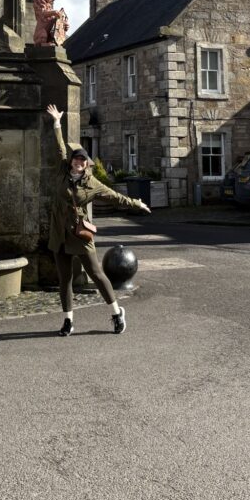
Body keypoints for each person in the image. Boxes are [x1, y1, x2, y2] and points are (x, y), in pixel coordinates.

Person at [46, 103, 151, 337]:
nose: (78, 163)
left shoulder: (93, 184)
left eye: (83, 161)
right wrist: (56, 123)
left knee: (96, 273)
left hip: (79, 233)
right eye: (76, 159)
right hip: (59, 232)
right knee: (65, 279)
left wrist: (136, 203)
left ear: (87, 164)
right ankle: (68, 321)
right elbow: (59, 146)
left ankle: (116, 313)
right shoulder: (63, 170)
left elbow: (115, 197)